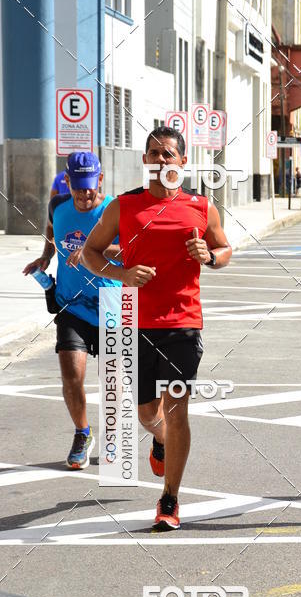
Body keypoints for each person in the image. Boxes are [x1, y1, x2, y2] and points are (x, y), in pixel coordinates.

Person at [82, 126, 232, 531]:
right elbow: (89, 254)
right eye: (154, 153)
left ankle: (169, 499)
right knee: (148, 411)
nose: (161, 160)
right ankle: (160, 439)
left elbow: (224, 249)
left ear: (183, 161)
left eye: (169, 154)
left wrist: (211, 256)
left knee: (176, 410)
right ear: (145, 161)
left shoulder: (202, 207)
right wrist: (123, 273)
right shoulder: (123, 206)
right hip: (136, 324)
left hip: (183, 324)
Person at [23, 152, 121, 469]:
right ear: (68, 182)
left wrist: (96, 249)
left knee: (114, 381)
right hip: (71, 303)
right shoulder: (57, 206)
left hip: (112, 302)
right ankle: (82, 433)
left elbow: (133, 248)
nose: (84, 194)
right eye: (77, 186)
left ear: (100, 181)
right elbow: (52, 234)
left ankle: (114, 437)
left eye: (89, 186)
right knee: (71, 376)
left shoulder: (115, 210)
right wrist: (44, 258)